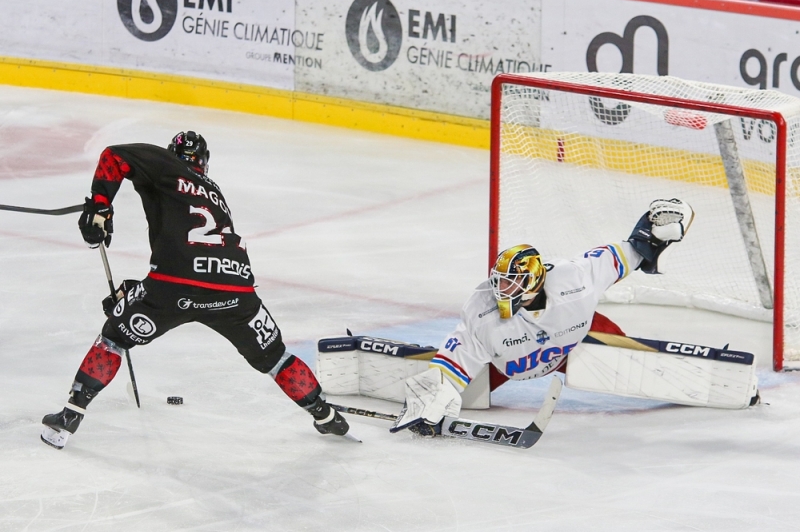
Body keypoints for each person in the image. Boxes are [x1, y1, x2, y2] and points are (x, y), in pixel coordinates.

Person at [41, 131, 349, 449]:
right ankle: (327, 418)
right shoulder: (215, 193)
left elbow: (113, 156)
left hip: (172, 285)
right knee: (276, 357)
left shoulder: (165, 163)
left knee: (113, 340)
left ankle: (68, 419)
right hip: (236, 289)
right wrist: (138, 292)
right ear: (204, 162)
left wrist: (99, 207)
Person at [390, 198, 700, 436]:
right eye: (499, 280)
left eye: (511, 282)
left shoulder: (575, 278)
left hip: (575, 343)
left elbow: (630, 252)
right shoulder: (482, 310)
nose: (501, 289)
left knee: (628, 363)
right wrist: (434, 393)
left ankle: (674, 376)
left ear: (534, 281)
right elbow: (457, 357)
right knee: (467, 393)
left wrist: (655, 233)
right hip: (512, 358)